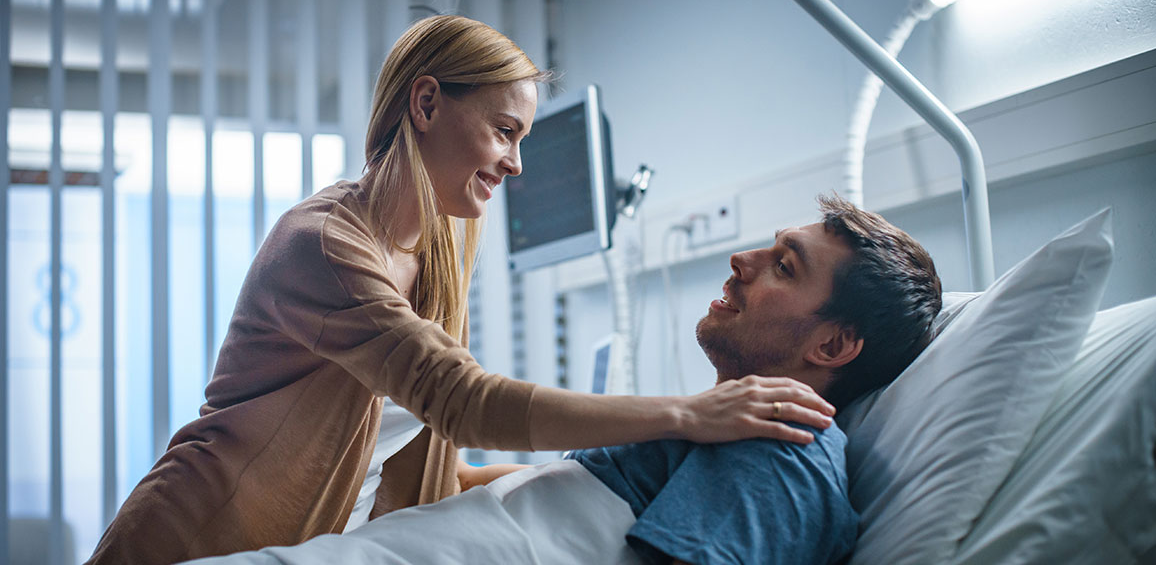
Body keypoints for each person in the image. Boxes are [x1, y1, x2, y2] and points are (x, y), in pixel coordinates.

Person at [86, 16, 833, 564]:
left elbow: (431, 469)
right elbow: (463, 399)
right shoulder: (324, 246)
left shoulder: (439, 245)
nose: (515, 163)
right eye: (505, 131)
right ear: (426, 103)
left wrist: (602, 474)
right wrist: (686, 414)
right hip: (189, 537)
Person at [190, 194, 942, 565]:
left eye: (784, 266)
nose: (742, 261)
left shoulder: (784, 450)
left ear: (836, 344)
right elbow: (563, 502)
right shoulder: (732, 429)